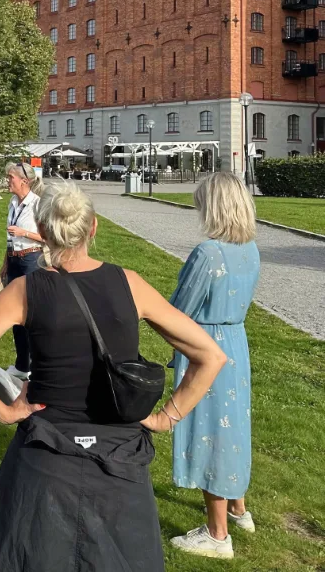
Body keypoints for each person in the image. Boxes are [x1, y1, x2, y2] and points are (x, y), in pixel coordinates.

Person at [0, 180, 227, 572]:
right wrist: (166, 417)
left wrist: (4, 411)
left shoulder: (26, 290)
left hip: (45, 454)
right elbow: (209, 355)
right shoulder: (130, 283)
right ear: (93, 228)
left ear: (41, 233)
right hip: (119, 458)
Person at [168, 172, 261, 559]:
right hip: (235, 344)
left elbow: (179, 310)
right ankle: (238, 509)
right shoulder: (250, 247)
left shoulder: (208, 253)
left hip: (205, 346)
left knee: (210, 432)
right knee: (233, 426)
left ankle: (217, 533)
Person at [1, 162, 44, 380]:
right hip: (14, 260)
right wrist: (5, 263)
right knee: (14, 312)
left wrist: (24, 232)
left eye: (11, 177)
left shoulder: (37, 205)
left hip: (31, 259)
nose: (8, 180)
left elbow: (48, 238)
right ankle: (21, 364)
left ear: (24, 181)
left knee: (32, 314)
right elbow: (9, 238)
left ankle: (37, 365)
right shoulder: (12, 202)